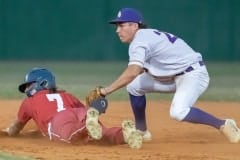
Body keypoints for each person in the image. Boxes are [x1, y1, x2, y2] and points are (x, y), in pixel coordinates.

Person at [94, 7, 240, 143]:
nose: (117, 30)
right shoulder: (145, 37)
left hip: (192, 75)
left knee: (178, 112)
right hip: (172, 77)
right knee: (133, 87)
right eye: (116, 26)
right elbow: (139, 70)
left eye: (121, 25)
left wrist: (105, 91)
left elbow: (132, 72)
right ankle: (142, 131)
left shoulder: (139, 41)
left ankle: (223, 124)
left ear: (135, 26)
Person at [1, 67, 143, 149]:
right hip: (79, 113)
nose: (27, 89)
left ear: (42, 83)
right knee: (100, 135)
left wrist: (7, 132)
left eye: (29, 85)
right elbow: (84, 110)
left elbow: (15, 128)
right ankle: (125, 134)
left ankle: (88, 123)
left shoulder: (30, 101)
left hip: (58, 121)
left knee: (68, 138)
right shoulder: (68, 95)